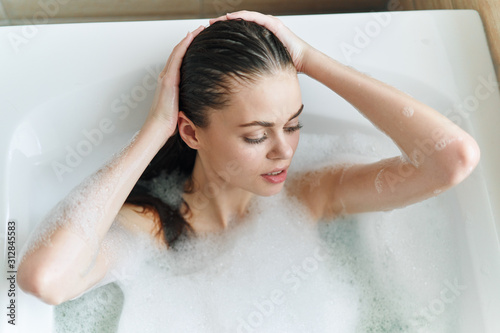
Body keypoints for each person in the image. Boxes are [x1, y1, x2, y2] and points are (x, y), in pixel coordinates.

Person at [18, 11, 479, 308]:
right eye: (257, 135)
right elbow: (44, 279)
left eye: (294, 124)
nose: (283, 150)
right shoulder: (154, 227)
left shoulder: (310, 195)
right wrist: (154, 129)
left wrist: (310, 59)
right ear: (192, 132)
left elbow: (452, 159)